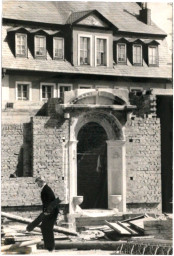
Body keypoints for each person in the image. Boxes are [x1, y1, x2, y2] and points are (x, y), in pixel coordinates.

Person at [34, 177, 59, 252]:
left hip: (51, 212)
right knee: (46, 228)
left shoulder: (46, 190)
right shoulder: (46, 189)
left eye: (38, 182)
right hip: (51, 212)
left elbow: (48, 203)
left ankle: (50, 247)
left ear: (41, 182)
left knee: (46, 228)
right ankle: (49, 246)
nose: (37, 184)